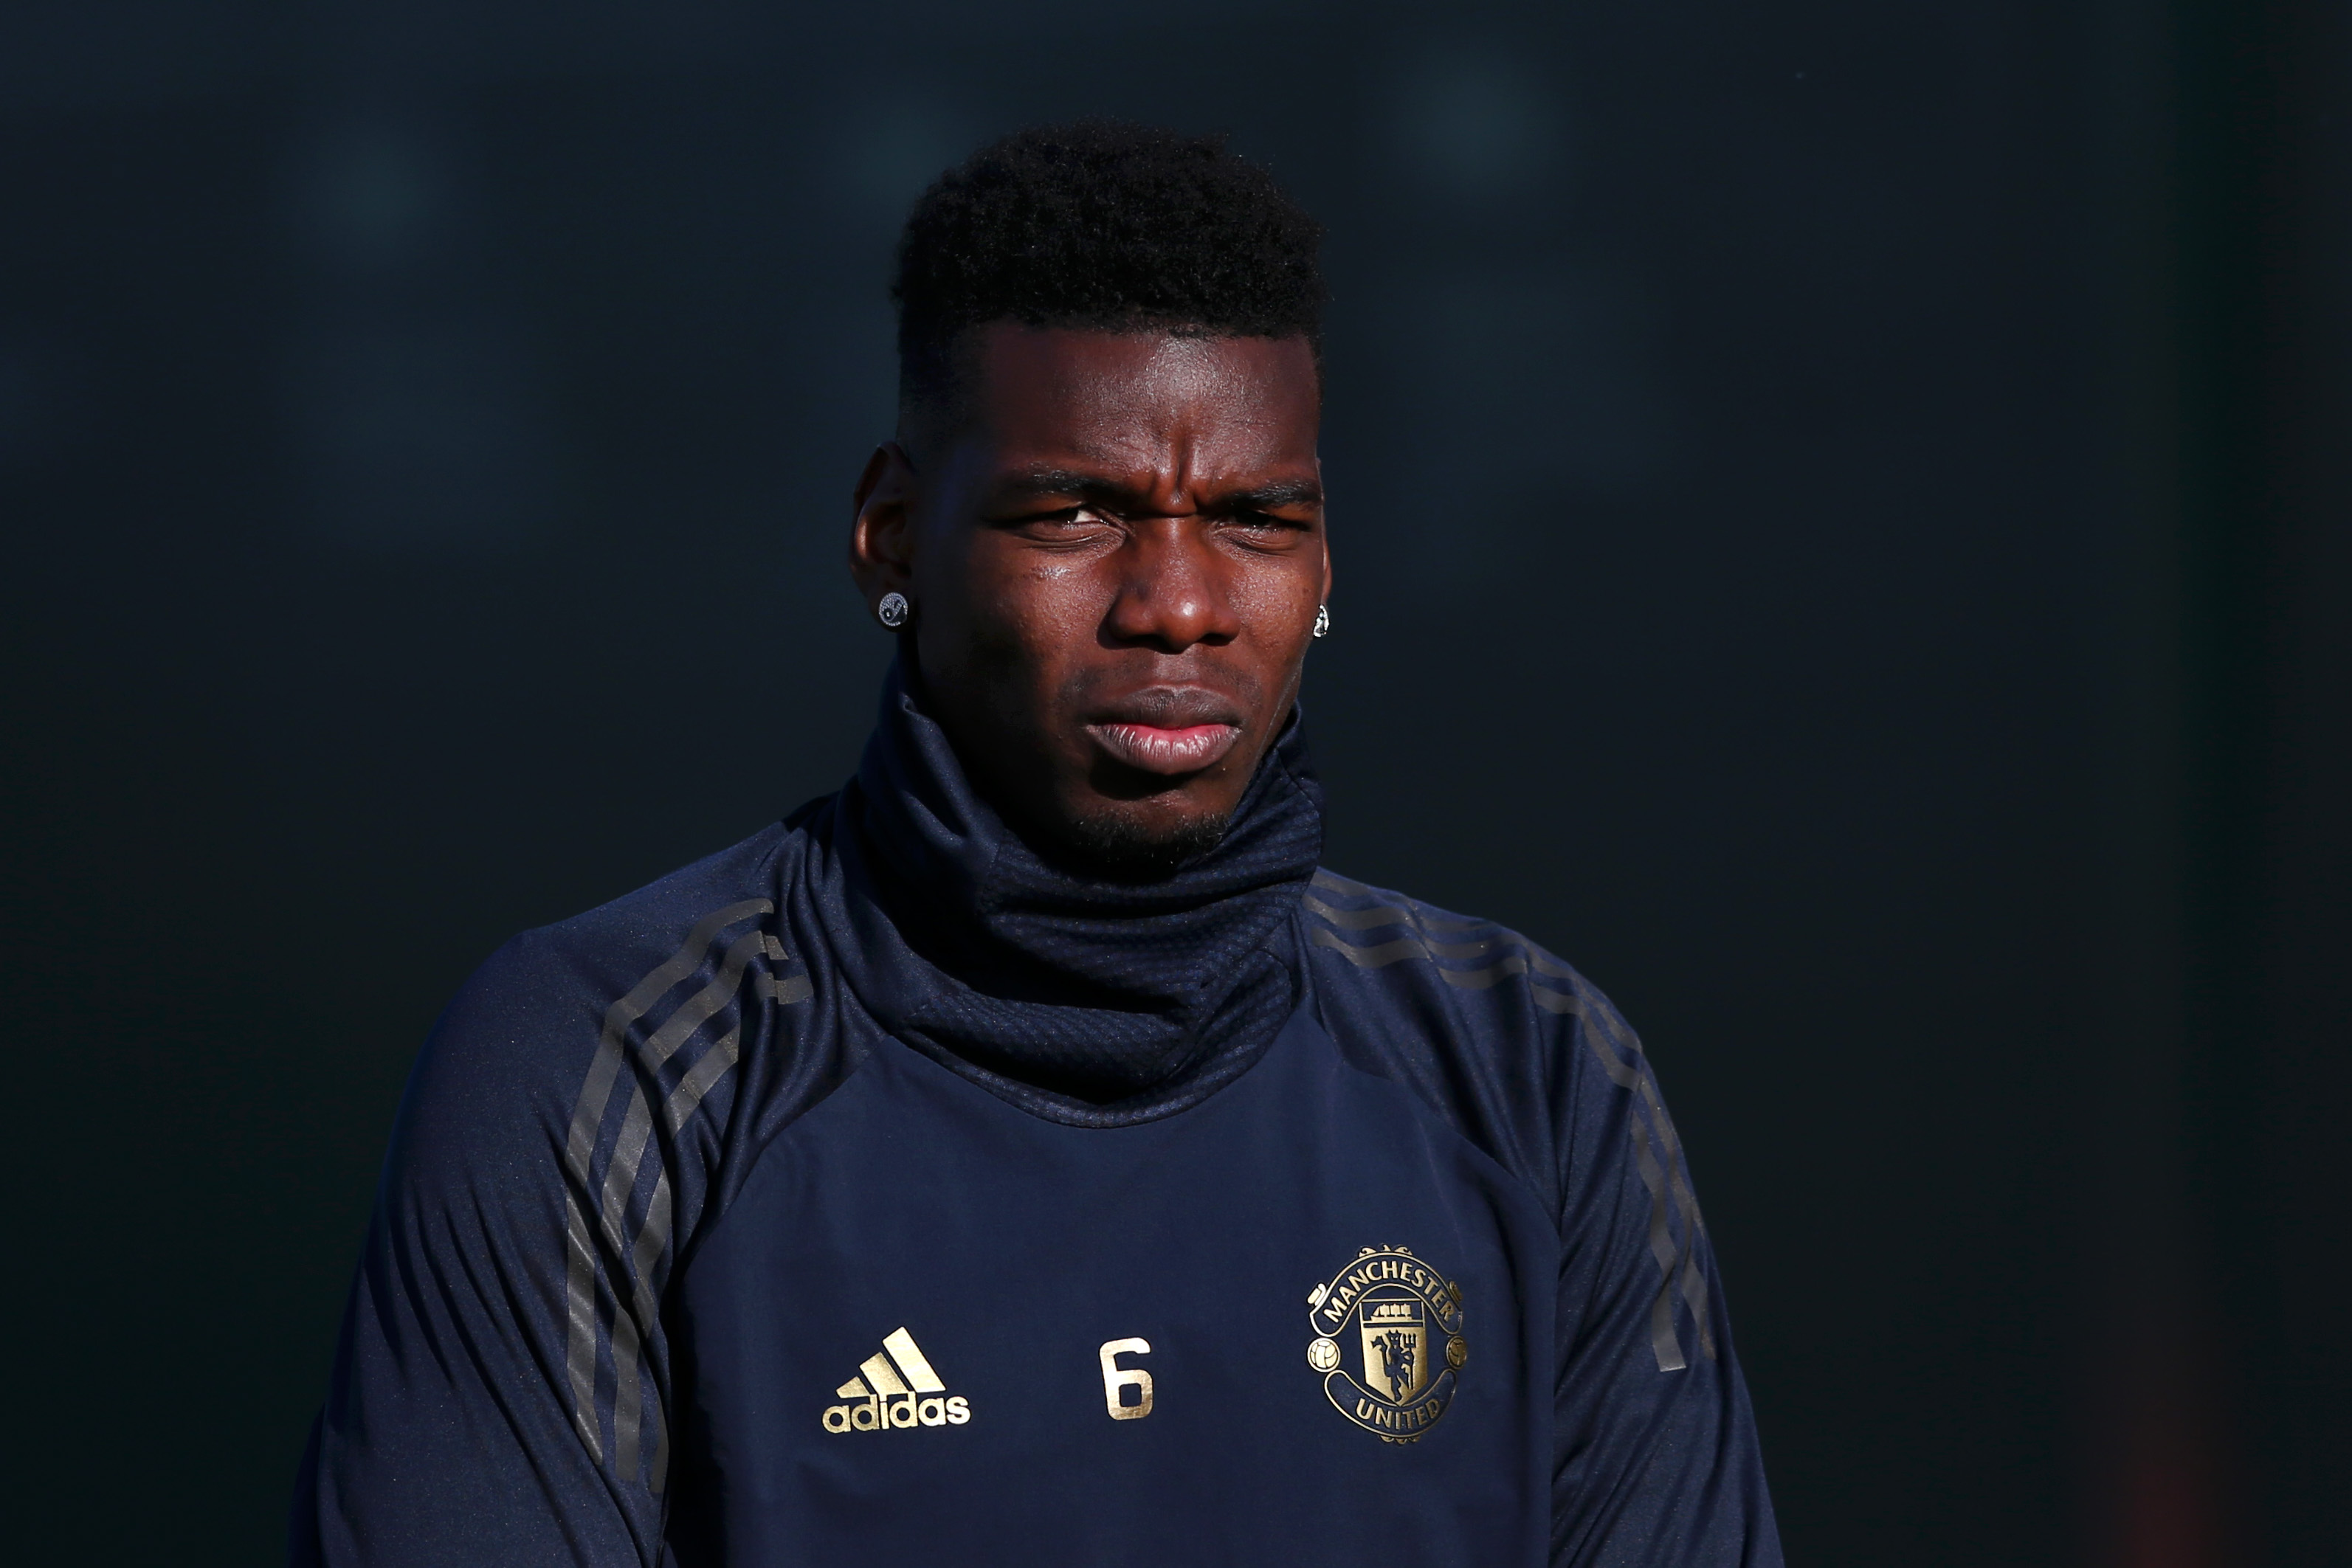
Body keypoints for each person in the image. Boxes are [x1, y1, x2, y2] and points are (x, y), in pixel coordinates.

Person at [292, 120, 1782, 1567]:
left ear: (1324, 564)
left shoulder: (1531, 1067)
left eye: (1257, 518)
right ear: (891, 533)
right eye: (1074, 511)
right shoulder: (605, 1066)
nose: (1180, 604)